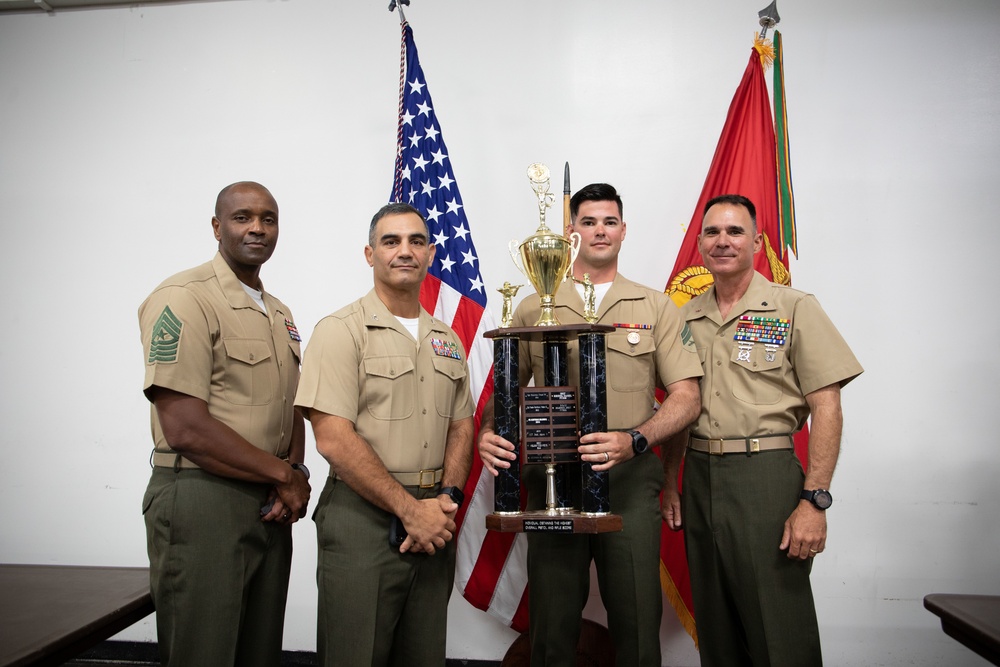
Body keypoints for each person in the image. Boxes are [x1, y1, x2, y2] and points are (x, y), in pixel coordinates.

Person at [479, 183, 703, 667]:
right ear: (570, 234)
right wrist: (487, 435)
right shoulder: (535, 304)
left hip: (628, 477)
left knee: (637, 619)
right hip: (554, 481)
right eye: (588, 222)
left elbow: (687, 398)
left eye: (609, 221)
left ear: (623, 230)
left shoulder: (654, 307)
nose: (599, 230)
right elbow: (503, 395)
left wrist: (635, 440)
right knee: (553, 622)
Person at [663, 194, 863, 666]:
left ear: (756, 241)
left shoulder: (794, 307)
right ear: (700, 243)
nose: (723, 241)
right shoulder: (685, 316)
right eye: (712, 232)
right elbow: (681, 404)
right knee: (717, 625)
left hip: (765, 476)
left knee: (778, 625)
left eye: (734, 231)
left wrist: (814, 501)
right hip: (699, 476)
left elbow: (827, 406)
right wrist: (671, 479)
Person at [138, 181, 311, 667]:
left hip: (271, 502)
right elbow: (185, 428)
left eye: (268, 218)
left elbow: (291, 405)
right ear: (217, 227)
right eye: (242, 217)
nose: (257, 227)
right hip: (203, 498)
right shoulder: (183, 299)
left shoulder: (279, 312)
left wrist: (293, 473)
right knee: (204, 653)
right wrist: (284, 476)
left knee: (258, 653)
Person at [295, 202, 475, 667]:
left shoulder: (446, 339)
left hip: (435, 519)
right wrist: (408, 509)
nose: (404, 251)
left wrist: (445, 501)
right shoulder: (340, 331)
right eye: (391, 241)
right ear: (369, 253)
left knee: (424, 656)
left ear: (431, 254)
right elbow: (333, 438)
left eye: (416, 241)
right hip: (363, 518)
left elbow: (461, 424)